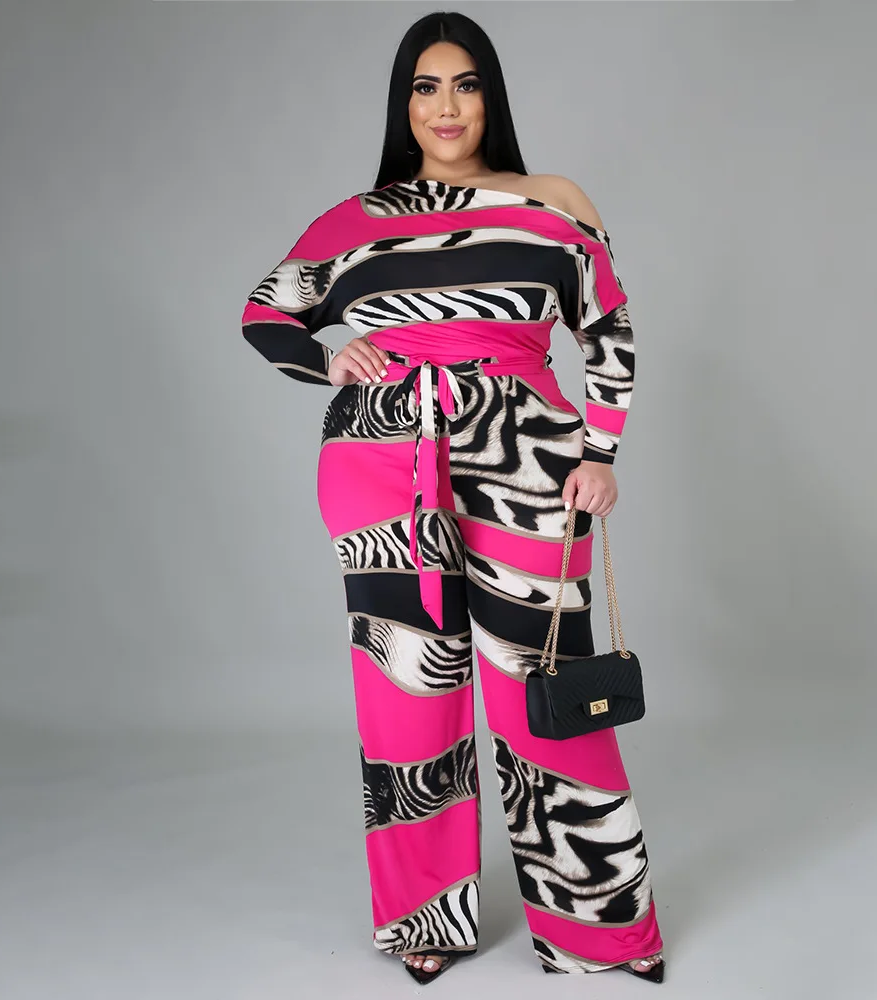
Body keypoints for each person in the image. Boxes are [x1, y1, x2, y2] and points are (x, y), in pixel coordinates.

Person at [241, 9, 665, 985]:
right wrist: (327, 357)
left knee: (543, 678)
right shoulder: (355, 220)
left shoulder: (552, 201)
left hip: (528, 462)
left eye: (465, 84)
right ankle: (422, 918)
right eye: (425, 87)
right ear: (404, 105)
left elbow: (608, 329)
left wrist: (601, 452)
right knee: (407, 688)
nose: (446, 106)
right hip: (382, 463)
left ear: (490, 98)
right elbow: (267, 313)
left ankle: (600, 926)